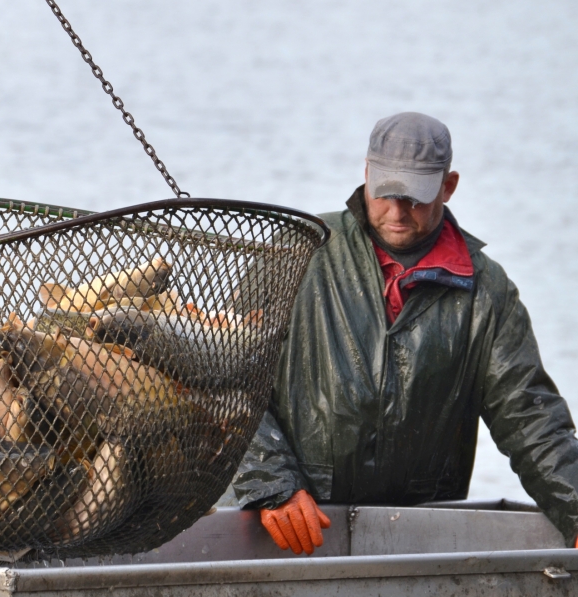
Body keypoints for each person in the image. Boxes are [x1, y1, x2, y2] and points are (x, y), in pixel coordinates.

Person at [231, 112, 578, 555]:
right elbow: (223, 379)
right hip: (287, 524)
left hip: (417, 535)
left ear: (448, 186)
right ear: (366, 172)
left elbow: (531, 419)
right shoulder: (296, 252)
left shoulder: (487, 291)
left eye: (414, 198)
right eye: (386, 192)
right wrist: (271, 482)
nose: (396, 212)